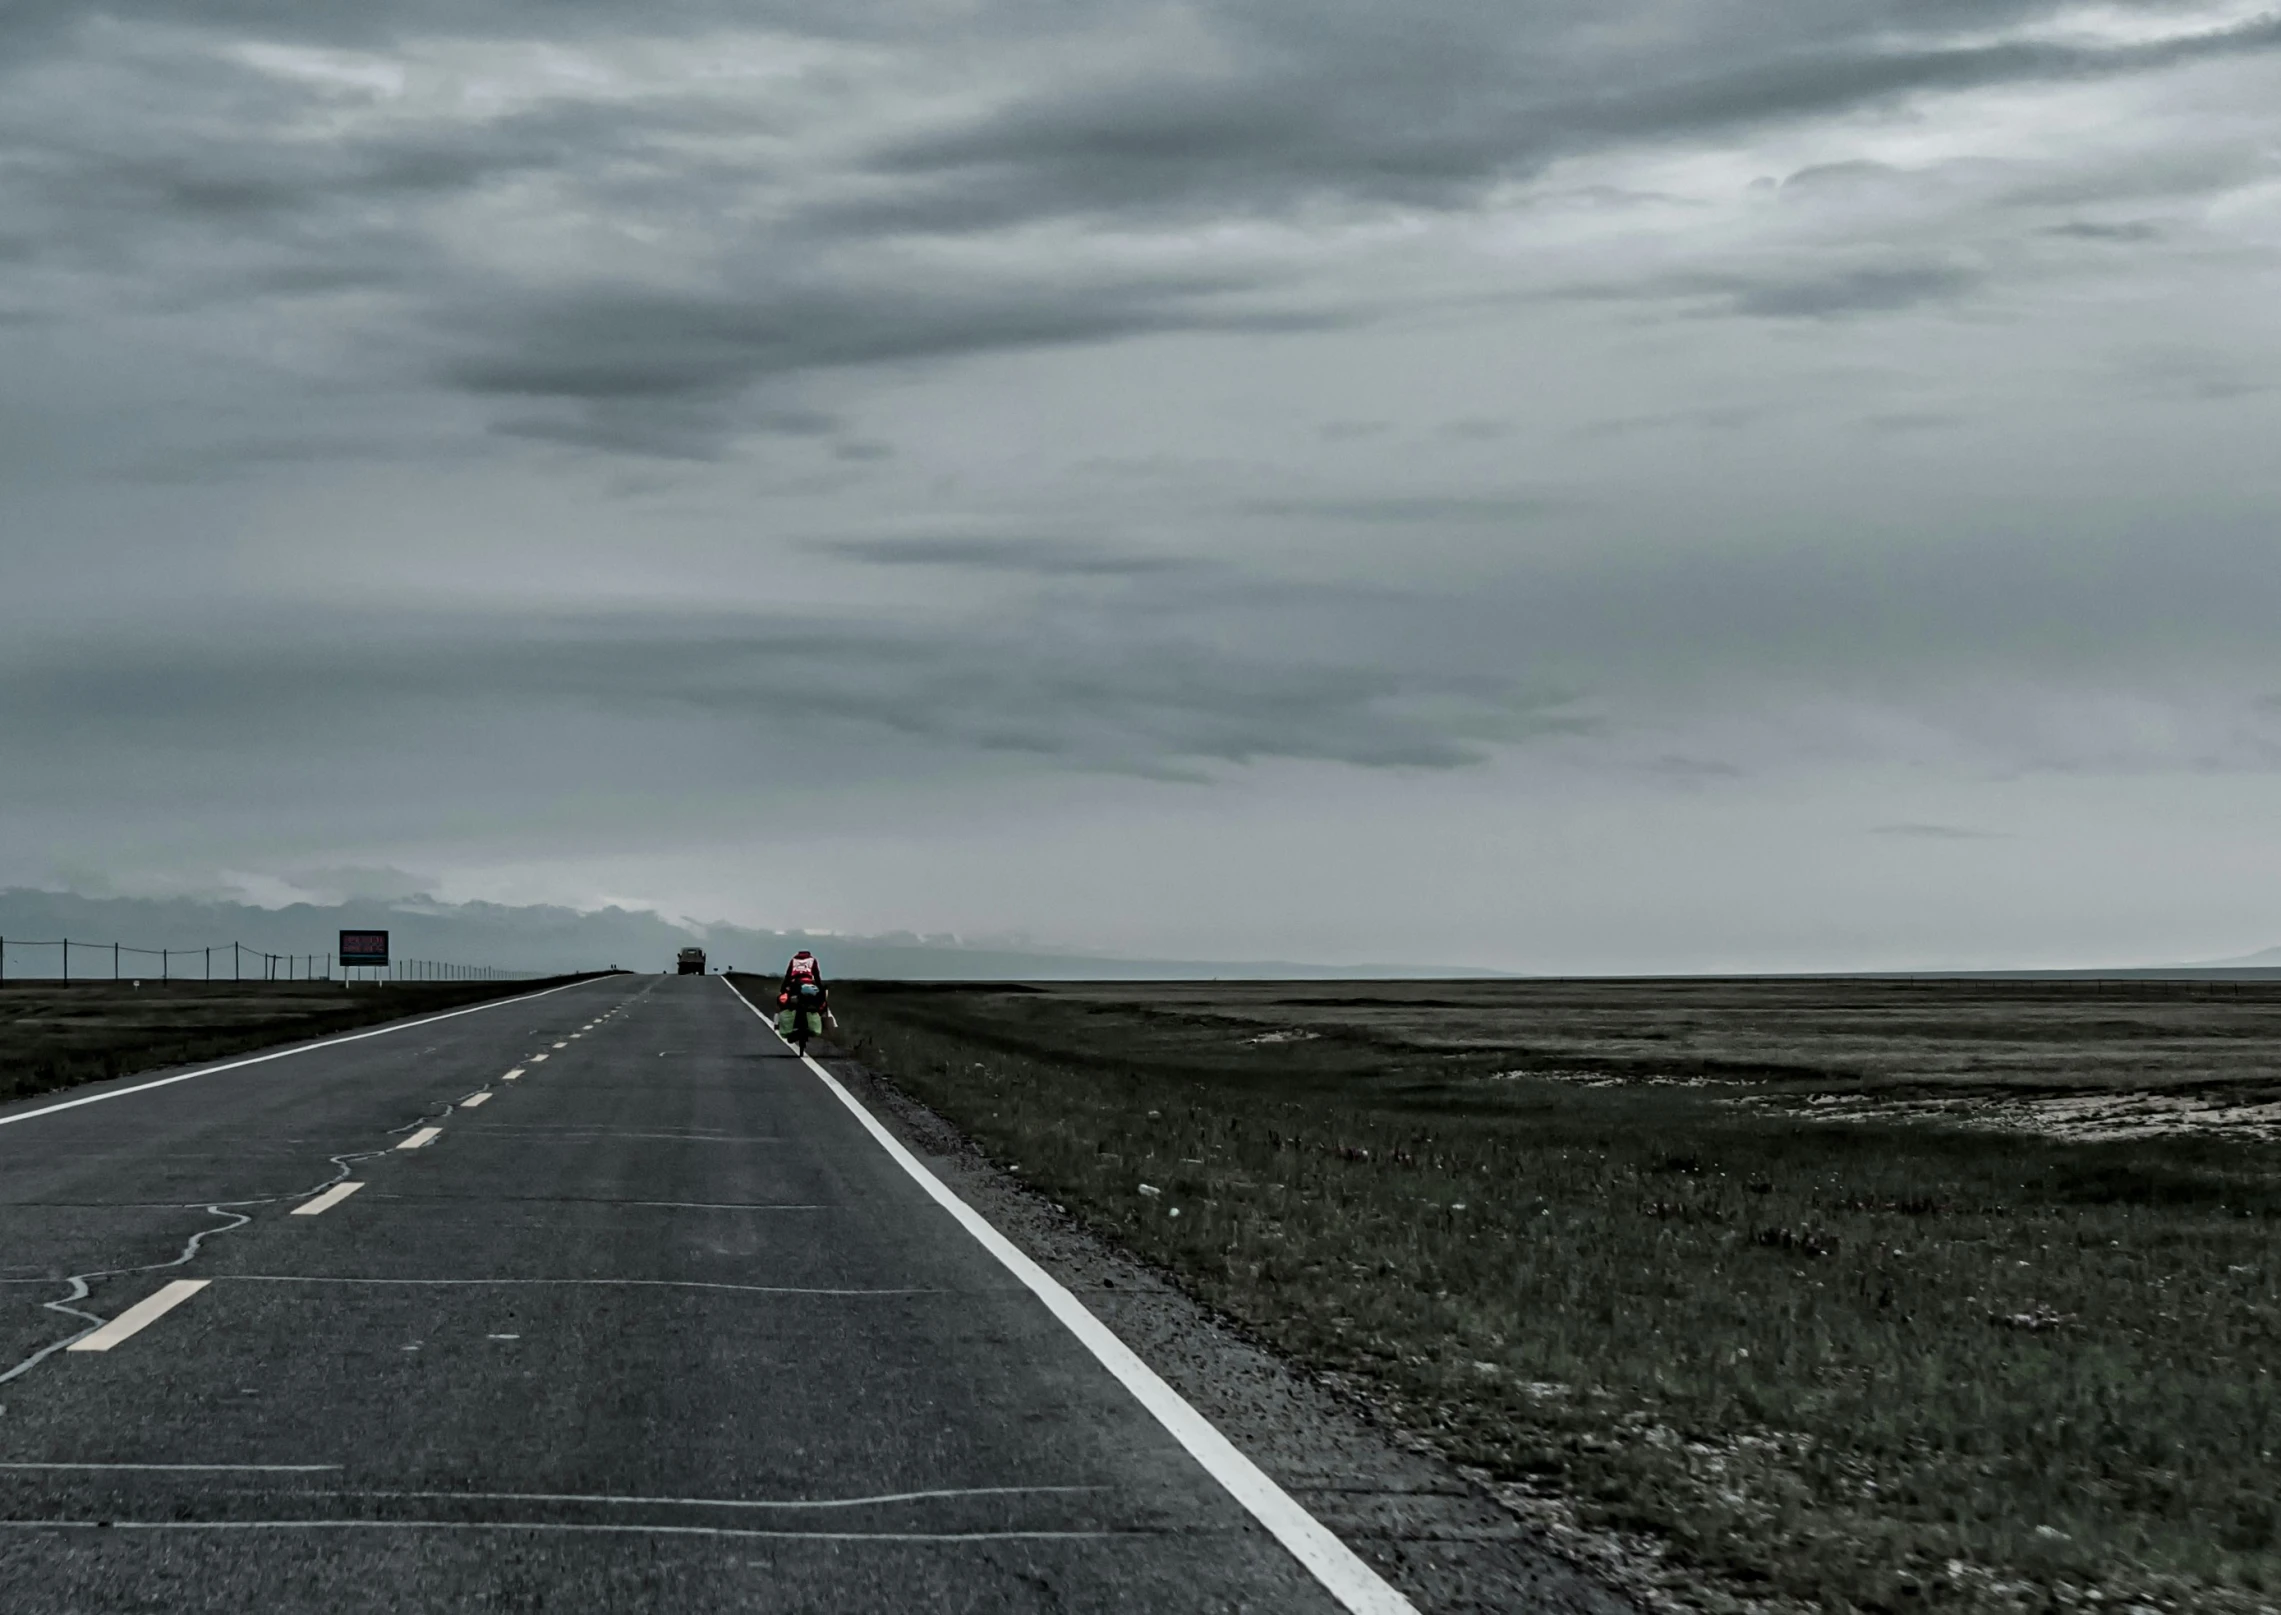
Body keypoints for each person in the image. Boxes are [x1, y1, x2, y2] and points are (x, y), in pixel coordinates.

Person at [776, 950, 830, 1045]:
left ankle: (785, 1025)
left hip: (794, 985)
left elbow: (788, 975)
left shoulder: (793, 960)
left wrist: (783, 989)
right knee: (820, 1002)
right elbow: (816, 975)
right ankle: (821, 1024)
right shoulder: (812, 960)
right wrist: (820, 987)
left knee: (787, 1003)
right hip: (809, 984)